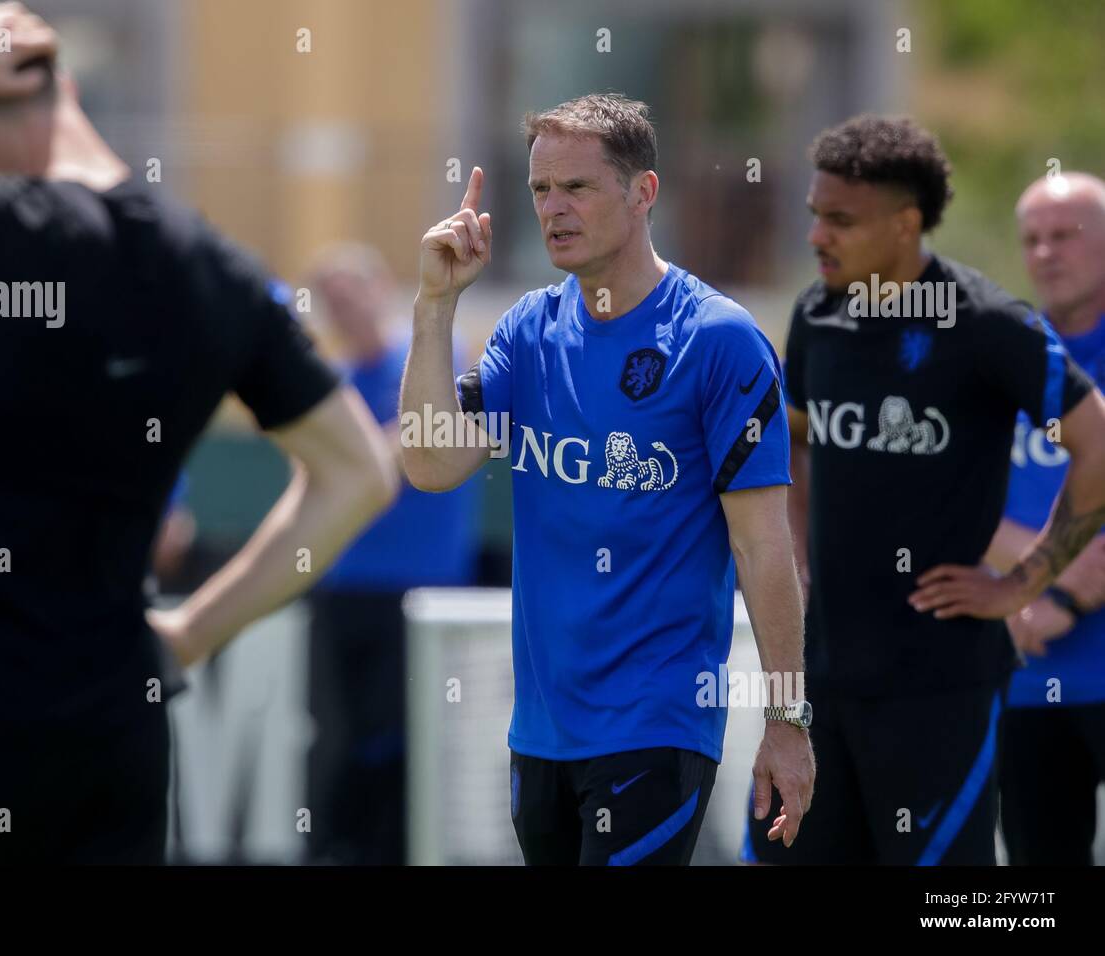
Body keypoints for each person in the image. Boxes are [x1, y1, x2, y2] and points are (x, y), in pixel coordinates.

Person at [0, 2, 396, 864]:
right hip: (118, 734)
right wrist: (191, 631)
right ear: (70, 92)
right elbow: (360, 476)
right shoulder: (223, 274)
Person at [401, 93, 814, 866]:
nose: (553, 209)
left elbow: (764, 549)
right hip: (542, 732)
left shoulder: (718, 340)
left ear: (642, 192)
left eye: (577, 188)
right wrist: (434, 305)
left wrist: (787, 719)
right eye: (540, 191)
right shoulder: (528, 329)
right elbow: (429, 463)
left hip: (657, 724)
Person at [743, 115, 1105, 865]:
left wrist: (1023, 583)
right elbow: (799, 446)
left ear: (906, 224)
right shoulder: (817, 315)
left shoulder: (987, 324)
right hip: (818, 684)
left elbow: (1096, 440)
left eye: (841, 220)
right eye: (815, 214)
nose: (818, 235)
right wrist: (802, 565)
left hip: (940, 690)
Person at [302, 243, 479, 865]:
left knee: (406, 740)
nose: (343, 311)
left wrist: (353, 455)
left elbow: (416, 444)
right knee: (338, 740)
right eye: (331, 302)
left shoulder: (431, 360)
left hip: (421, 598)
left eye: (351, 294)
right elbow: (312, 479)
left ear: (379, 290)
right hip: (344, 591)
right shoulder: (338, 387)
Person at [986, 171, 1105, 865]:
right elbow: (957, 504)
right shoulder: (1006, 357)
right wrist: (1039, 577)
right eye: (1033, 239)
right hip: (1025, 679)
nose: (1046, 252)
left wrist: (1055, 589)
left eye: (1066, 234)